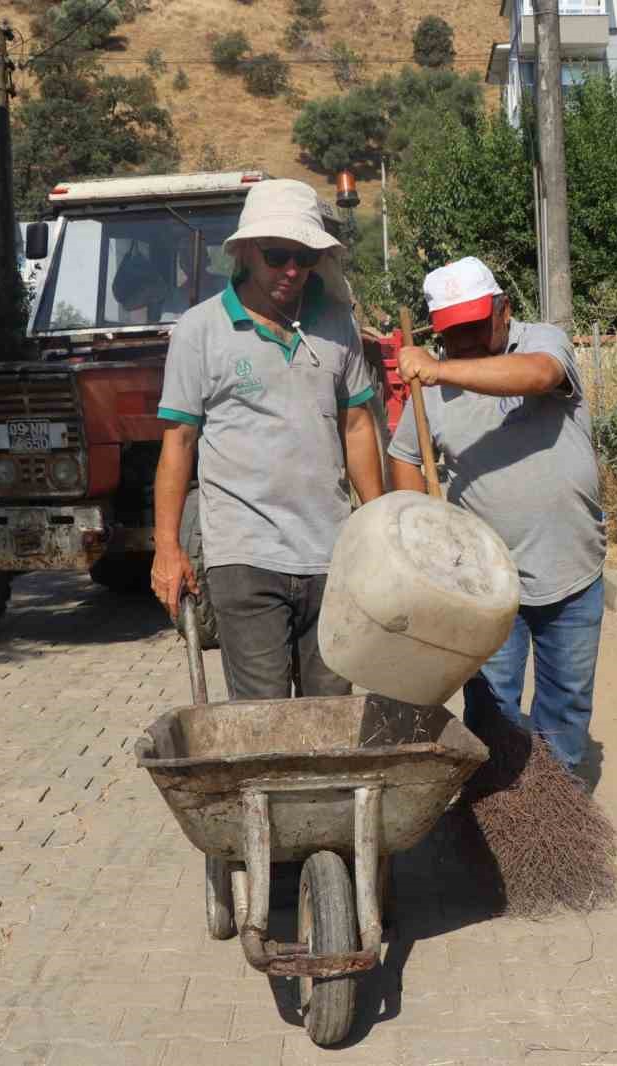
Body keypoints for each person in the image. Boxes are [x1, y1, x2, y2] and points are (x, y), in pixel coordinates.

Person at [150, 179, 384, 699]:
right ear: (247, 252)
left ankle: (330, 787)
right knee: (265, 723)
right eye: (278, 256)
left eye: (303, 257)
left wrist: (380, 526)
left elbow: (358, 426)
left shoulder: (335, 322)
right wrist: (167, 547)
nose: (292, 271)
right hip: (245, 557)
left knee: (331, 718)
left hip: (331, 554)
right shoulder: (200, 330)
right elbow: (179, 443)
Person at [387, 257, 607, 775]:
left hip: (570, 569)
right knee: (492, 708)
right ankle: (495, 807)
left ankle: (562, 808)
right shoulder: (429, 390)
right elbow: (403, 456)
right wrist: (421, 526)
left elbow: (539, 375)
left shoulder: (542, 342)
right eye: (450, 332)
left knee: (566, 706)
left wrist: (438, 369)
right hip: (483, 581)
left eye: (472, 325)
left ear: (503, 309)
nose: (461, 339)